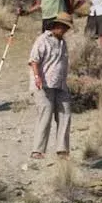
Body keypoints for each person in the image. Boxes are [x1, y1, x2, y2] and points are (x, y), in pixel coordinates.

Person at [28, 12, 73, 160]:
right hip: (43, 84)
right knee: (45, 114)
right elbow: (34, 60)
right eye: (63, 27)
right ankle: (37, 150)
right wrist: (37, 77)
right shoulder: (42, 40)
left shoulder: (62, 42)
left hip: (60, 84)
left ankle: (62, 150)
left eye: (67, 28)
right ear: (56, 26)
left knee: (65, 113)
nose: (65, 30)